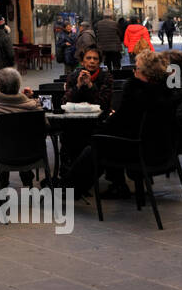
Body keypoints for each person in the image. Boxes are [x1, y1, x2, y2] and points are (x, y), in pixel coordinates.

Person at [63, 49, 176, 200]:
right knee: (99, 143)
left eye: (136, 67)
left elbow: (118, 123)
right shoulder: (164, 91)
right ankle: (78, 189)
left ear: (144, 72)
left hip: (140, 150)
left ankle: (68, 190)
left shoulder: (136, 90)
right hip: (161, 149)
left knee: (95, 145)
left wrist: (109, 120)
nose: (133, 71)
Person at [65, 47, 114, 112]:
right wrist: (78, 86)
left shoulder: (106, 77)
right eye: (88, 58)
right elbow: (66, 103)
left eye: (95, 59)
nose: (92, 61)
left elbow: (104, 104)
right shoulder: (73, 77)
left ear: (99, 62)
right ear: (82, 62)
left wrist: (90, 85)